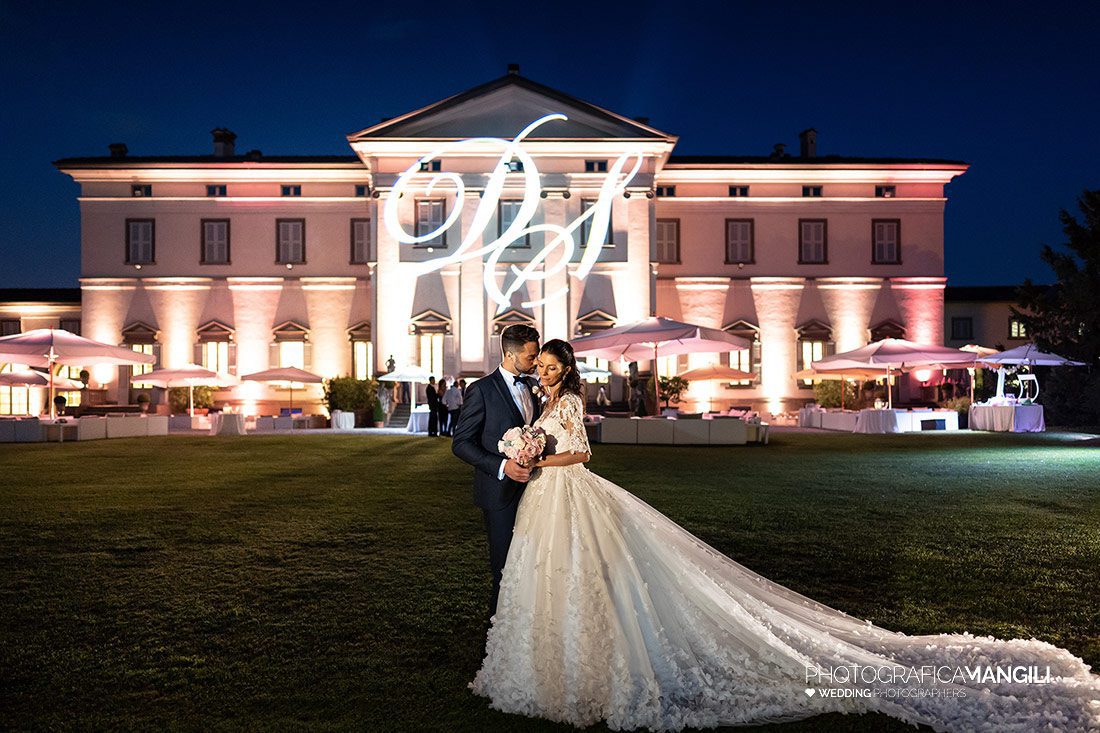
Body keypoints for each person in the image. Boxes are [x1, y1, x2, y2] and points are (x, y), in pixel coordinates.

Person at [469, 338, 1100, 732]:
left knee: (586, 574)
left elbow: (580, 455)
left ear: (565, 370)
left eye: (552, 368)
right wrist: (521, 449)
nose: (545, 375)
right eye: (541, 367)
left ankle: (586, 668)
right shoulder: (542, 401)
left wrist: (532, 460)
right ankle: (553, 662)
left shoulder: (569, 404)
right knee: (558, 578)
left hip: (564, 491)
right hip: (547, 502)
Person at [451, 323, 541, 620]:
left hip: (536, 490)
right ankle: (499, 631)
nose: (535, 362)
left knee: (533, 563)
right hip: (499, 493)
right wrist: (503, 465)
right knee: (504, 567)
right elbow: (462, 443)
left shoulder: (531, 387)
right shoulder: (481, 390)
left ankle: (526, 624)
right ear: (509, 354)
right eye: (531, 357)